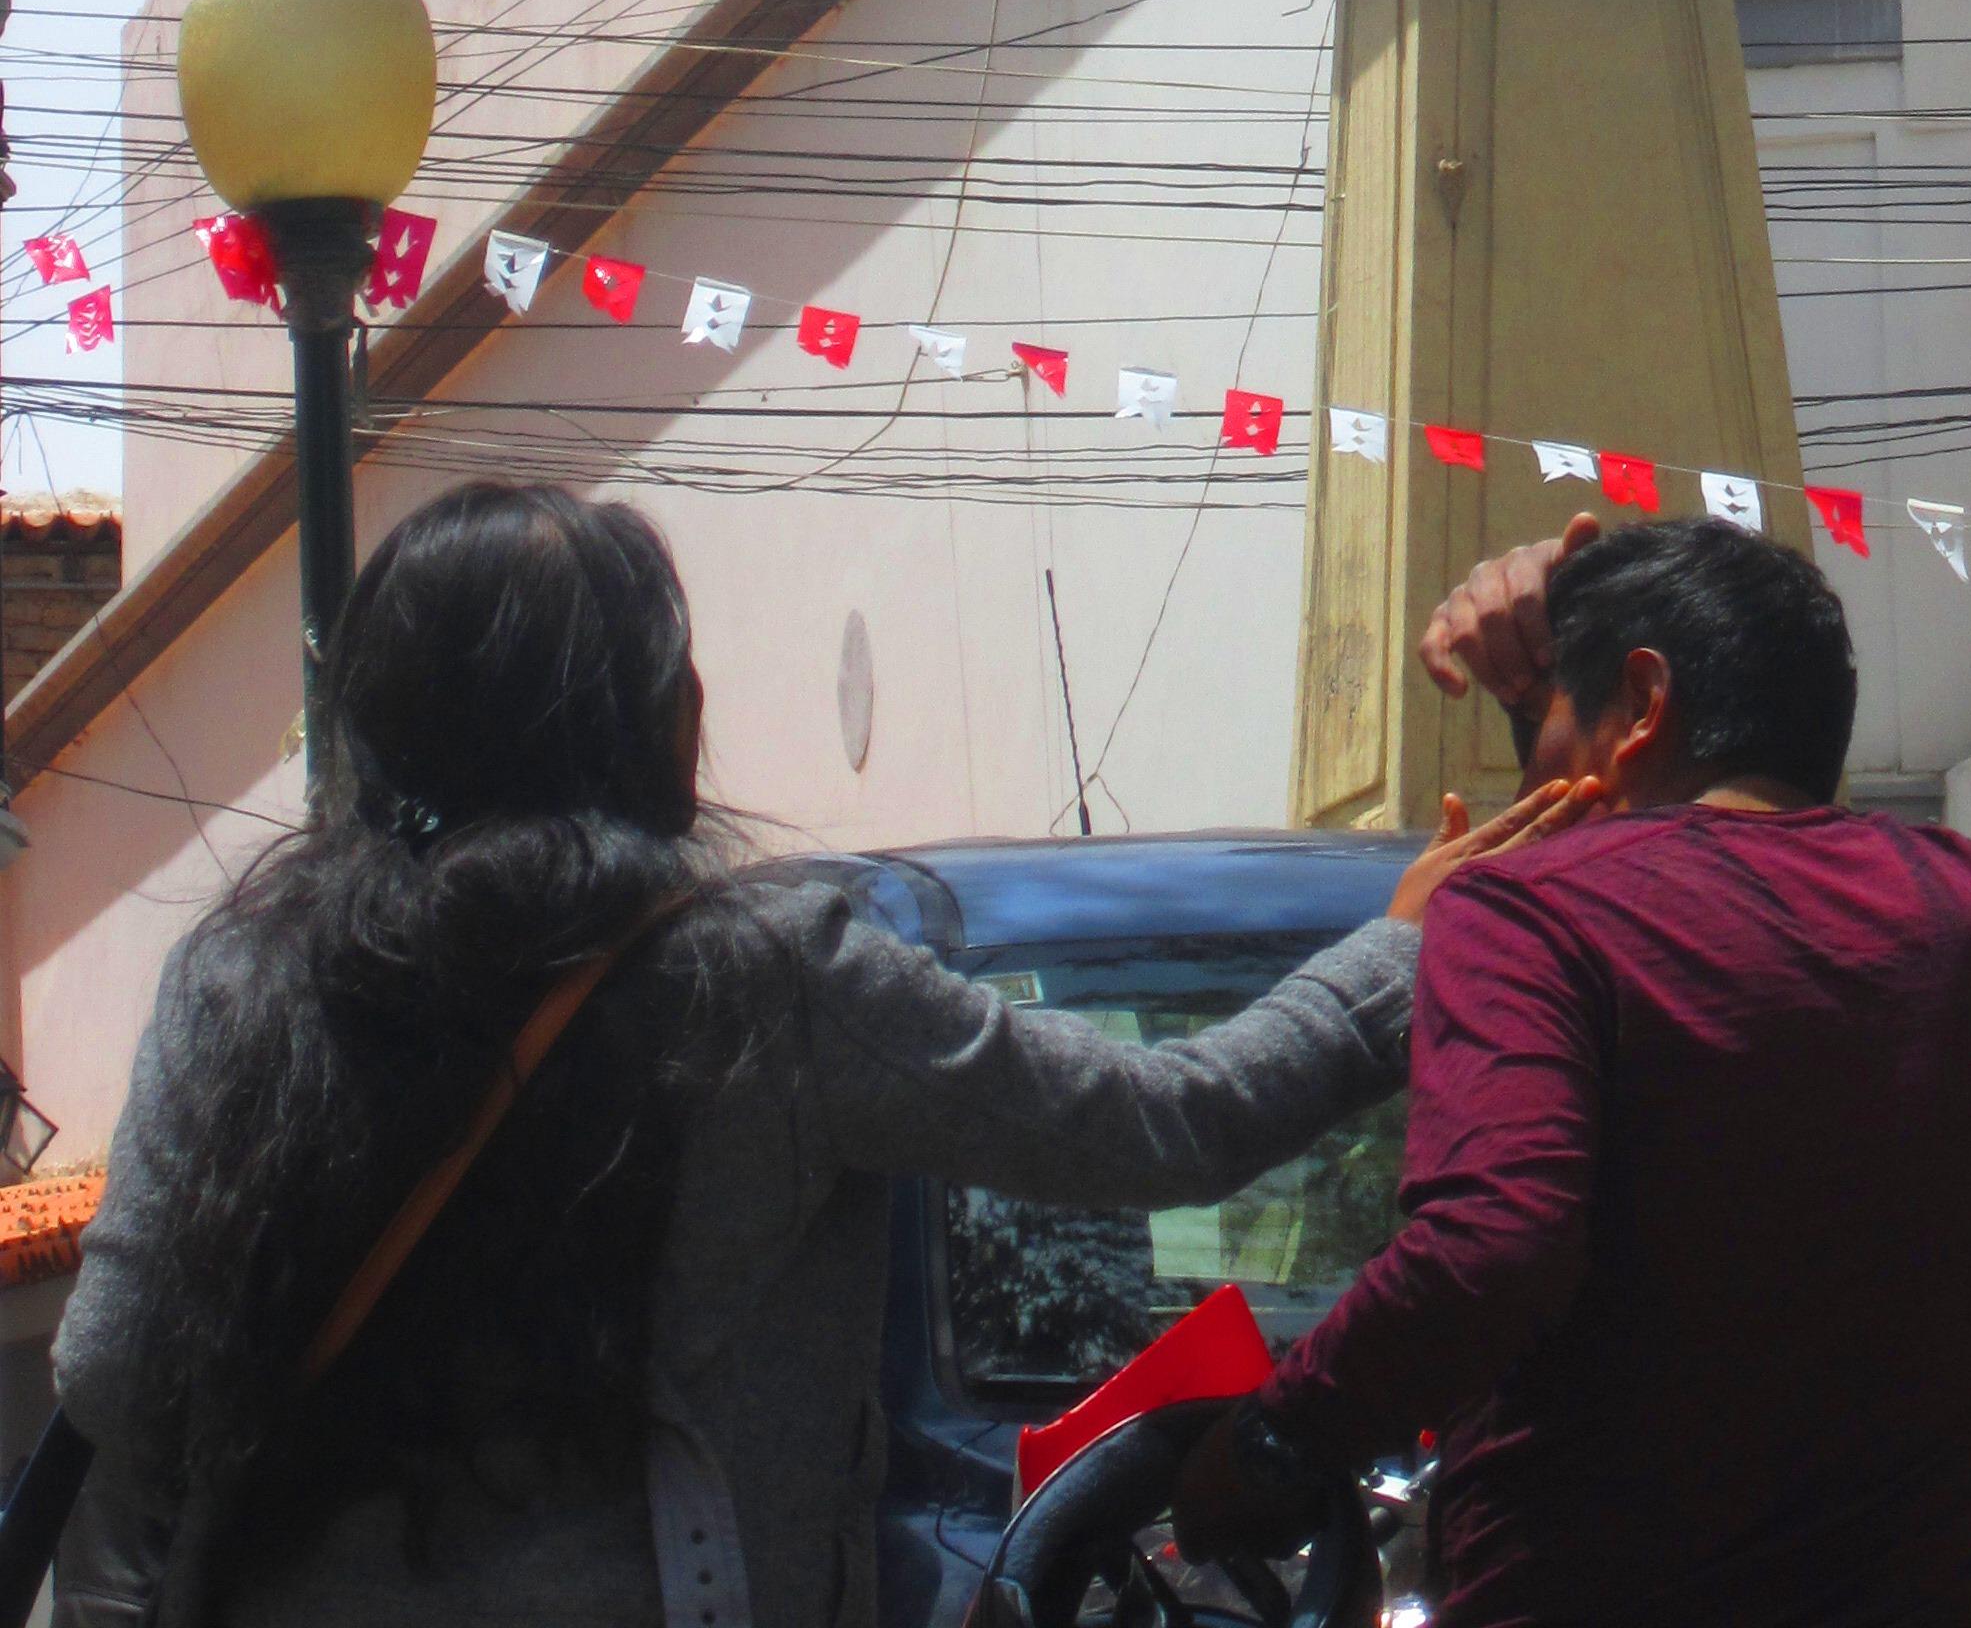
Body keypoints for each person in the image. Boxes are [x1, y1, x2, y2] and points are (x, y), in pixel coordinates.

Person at [50, 480, 1573, 1628]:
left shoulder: (232, 981)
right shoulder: (762, 978)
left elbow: (114, 1371)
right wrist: (1409, 943)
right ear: (666, 726)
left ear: (368, 725)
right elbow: (1167, 1127)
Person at [1174, 516, 1971, 1626]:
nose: (1535, 781)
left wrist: (1271, 1443)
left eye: (1543, 726)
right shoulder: (1966, 907)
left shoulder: (1529, 912)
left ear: (1640, 706)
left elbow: (1488, 1252)